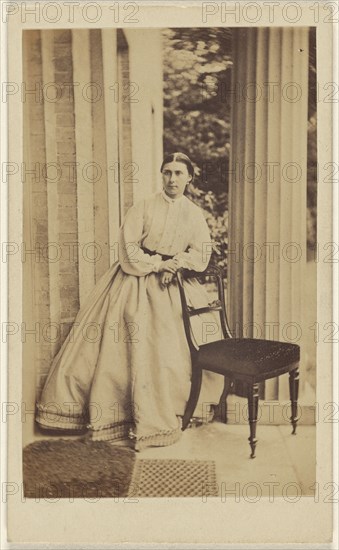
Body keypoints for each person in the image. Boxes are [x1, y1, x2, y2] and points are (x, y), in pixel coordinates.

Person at [36, 152, 224, 451]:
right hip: (134, 280)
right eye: (167, 172)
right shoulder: (144, 206)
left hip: (175, 283)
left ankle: (178, 407)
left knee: (179, 339)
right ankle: (117, 414)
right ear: (161, 175)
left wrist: (174, 264)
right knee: (125, 333)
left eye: (178, 173)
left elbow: (201, 252)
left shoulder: (193, 213)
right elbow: (128, 249)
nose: (172, 179)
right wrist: (157, 266)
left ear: (189, 177)